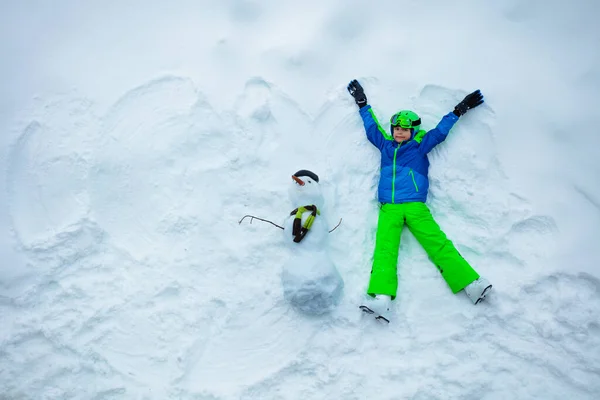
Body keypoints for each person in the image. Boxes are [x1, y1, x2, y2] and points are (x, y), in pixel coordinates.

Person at [347, 79, 492, 322]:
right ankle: (382, 298)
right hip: (389, 208)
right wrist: (362, 104)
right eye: (396, 128)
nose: (399, 132)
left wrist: (458, 110)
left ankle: (471, 283)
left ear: (413, 131)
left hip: (415, 205)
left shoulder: (419, 146)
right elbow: (372, 128)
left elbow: (440, 132)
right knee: (384, 250)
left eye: (404, 129)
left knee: (437, 243)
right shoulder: (385, 145)